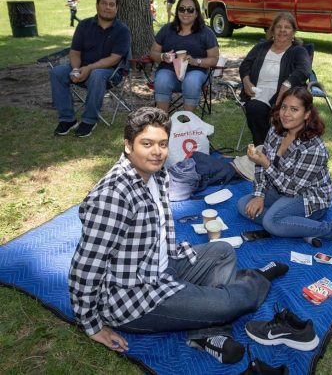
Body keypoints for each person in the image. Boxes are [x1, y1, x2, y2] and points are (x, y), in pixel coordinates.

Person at [68, 107, 288, 364]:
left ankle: (206, 333)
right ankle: (257, 278)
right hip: (135, 298)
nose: (157, 152)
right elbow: (85, 266)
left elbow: (159, 232)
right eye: (146, 144)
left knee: (222, 251)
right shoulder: (113, 197)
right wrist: (92, 325)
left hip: (160, 266)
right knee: (231, 302)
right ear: (128, 146)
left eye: (162, 144)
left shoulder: (156, 174)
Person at [237, 86, 332, 246]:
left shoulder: (314, 148)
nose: (286, 114)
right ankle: (301, 228)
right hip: (279, 190)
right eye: (284, 107)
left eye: (294, 109)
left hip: (308, 197)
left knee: (271, 222)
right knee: (244, 205)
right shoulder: (276, 130)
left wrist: (265, 163)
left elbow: (292, 189)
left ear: (307, 114)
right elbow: (260, 166)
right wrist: (259, 195)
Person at [50, 0, 131, 138]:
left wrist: (88, 68)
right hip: (81, 67)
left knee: (97, 74)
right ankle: (67, 119)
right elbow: (75, 52)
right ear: (97, 5)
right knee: (57, 72)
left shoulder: (123, 30)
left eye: (111, 4)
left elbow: (114, 59)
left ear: (116, 8)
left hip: (110, 73)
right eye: (104, 3)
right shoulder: (84, 25)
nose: (107, 7)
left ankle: (89, 120)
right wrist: (75, 70)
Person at [239, 12, 312, 146]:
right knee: (255, 108)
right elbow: (245, 65)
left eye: (287, 27)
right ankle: (262, 147)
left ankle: (271, 147)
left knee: (280, 112)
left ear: (293, 31)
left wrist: (286, 85)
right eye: (279, 27)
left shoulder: (298, 51)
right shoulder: (261, 47)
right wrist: (246, 81)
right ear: (273, 30)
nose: (282, 30)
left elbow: (304, 70)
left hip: (283, 94)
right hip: (257, 92)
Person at [150, 0, 219, 113]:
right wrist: (163, 56)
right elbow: (153, 52)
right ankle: (162, 121)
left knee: (191, 81)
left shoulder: (206, 33)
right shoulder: (167, 29)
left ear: (196, 13)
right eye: (182, 9)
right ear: (177, 12)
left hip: (196, 71)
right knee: (162, 79)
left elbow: (214, 59)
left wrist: (195, 61)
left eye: (190, 9)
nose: (185, 13)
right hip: (169, 70)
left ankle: (188, 123)